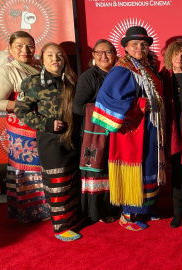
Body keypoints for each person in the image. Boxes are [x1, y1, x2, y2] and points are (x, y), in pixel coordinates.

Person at [91, 26, 166, 231]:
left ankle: (145, 208)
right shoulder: (122, 69)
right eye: (135, 44)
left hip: (149, 128)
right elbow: (105, 100)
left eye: (144, 44)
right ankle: (128, 214)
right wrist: (140, 105)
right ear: (125, 47)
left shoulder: (145, 67)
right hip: (132, 132)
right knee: (137, 168)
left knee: (149, 166)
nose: (140, 47)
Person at [15, 43, 82, 241]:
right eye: (50, 55)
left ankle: (73, 217)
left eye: (59, 56)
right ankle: (60, 226)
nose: (55, 59)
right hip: (51, 141)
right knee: (57, 183)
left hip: (74, 138)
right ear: (42, 59)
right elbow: (21, 111)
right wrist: (47, 124)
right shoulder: (32, 82)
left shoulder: (72, 80)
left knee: (72, 180)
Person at [0, 31, 50, 223]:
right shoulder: (8, 70)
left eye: (29, 45)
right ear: (10, 48)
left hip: (43, 127)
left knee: (43, 166)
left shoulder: (38, 66)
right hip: (22, 131)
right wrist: (22, 105)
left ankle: (46, 209)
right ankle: (29, 212)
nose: (25, 50)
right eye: (19, 46)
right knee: (28, 170)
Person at [73, 39, 119, 223]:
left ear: (115, 55)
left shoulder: (120, 75)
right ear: (93, 56)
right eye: (99, 53)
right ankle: (96, 211)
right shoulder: (88, 76)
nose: (104, 56)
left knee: (111, 172)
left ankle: (113, 207)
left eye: (108, 52)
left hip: (114, 133)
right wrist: (105, 110)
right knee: (97, 173)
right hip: (94, 134)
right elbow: (77, 107)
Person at [161, 40, 182, 228]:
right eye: (176, 54)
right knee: (178, 170)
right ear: (170, 56)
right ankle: (177, 210)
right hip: (173, 131)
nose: (180, 58)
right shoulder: (163, 76)